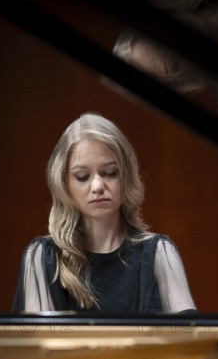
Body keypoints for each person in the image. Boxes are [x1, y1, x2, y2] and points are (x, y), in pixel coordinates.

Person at [12, 112, 197, 314]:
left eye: (110, 173)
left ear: (126, 176)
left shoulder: (161, 252)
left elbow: (190, 337)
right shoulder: (41, 256)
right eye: (82, 177)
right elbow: (40, 343)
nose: (98, 186)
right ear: (65, 186)